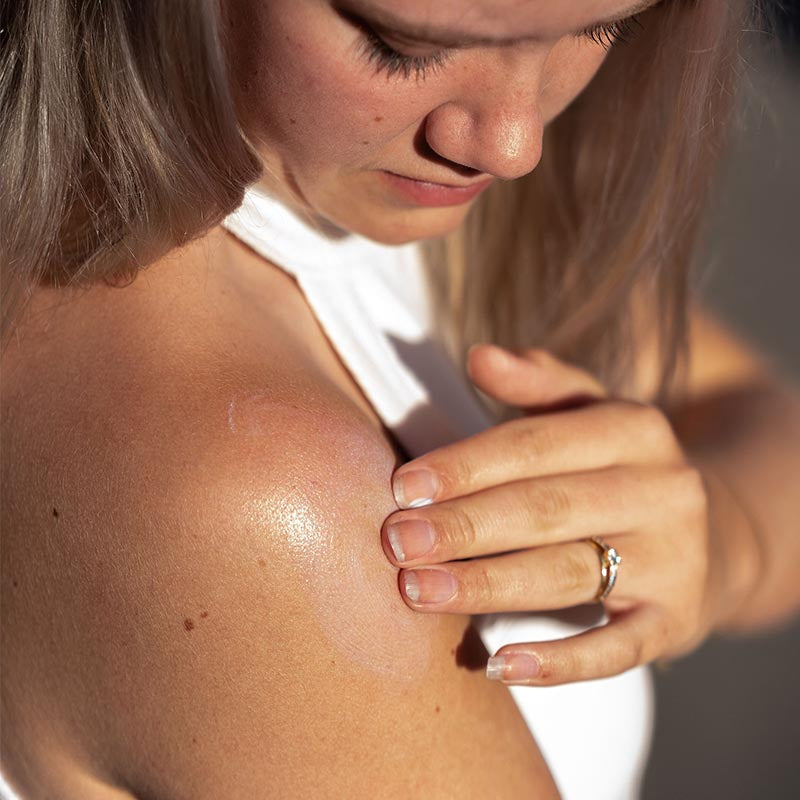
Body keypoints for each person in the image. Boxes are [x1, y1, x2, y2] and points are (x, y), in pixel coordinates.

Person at [1, 0, 798, 798]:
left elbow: (755, 408)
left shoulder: (391, 206)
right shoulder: (248, 489)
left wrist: (717, 538)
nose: (514, 145)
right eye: (404, 46)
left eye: (600, 28)